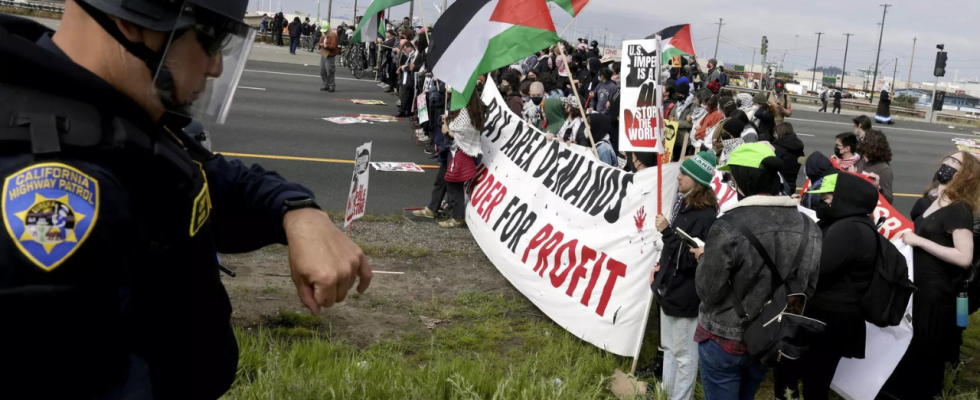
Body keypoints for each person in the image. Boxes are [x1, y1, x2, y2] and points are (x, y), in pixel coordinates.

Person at [0, 0, 372, 397]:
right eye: (211, 39)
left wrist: (299, 213)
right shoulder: (51, 179)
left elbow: (207, 181)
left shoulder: (107, 112)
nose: (216, 67)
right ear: (133, 20)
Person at [695, 143, 822, 400]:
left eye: (732, 177)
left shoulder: (728, 226)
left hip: (724, 339)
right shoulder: (810, 227)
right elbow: (806, 289)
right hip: (770, 338)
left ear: (744, 179)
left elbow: (708, 292)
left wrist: (703, 259)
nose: (731, 184)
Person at [883, 152, 980, 400]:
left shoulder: (960, 210)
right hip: (919, 288)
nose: (947, 164)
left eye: (955, 163)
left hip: (936, 295)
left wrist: (919, 241)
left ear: (967, 175)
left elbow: (963, 256)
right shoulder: (936, 201)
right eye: (947, 159)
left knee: (926, 351)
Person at [774, 172, 878, 400]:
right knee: (803, 378)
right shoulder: (848, 223)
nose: (822, 202)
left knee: (811, 383)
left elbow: (813, 266)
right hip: (824, 318)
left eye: (828, 197)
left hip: (827, 322)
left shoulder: (850, 230)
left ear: (846, 198)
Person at [652, 150, 719, 400]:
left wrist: (667, 232)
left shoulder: (706, 216)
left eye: (685, 173)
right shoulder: (686, 204)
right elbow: (673, 252)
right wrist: (659, 269)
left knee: (685, 356)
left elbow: (694, 259)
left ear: (698, 181)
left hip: (685, 296)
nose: (678, 176)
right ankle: (666, 395)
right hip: (670, 290)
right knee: (670, 349)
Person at [439, 92, 485, 228]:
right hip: (464, 151)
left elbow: (460, 134)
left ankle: (457, 217)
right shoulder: (474, 111)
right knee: (453, 183)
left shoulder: (464, 112)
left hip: (459, 151)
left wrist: (447, 130)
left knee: (453, 183)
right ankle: (455, 214)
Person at [855, 128, 894, 203]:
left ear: (870, 144)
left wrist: (877, 187)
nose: (860, 140)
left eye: (863, 138)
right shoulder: (862, 160)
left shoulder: (884, 170)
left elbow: (889, 200)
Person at [772, 122, 804, 194]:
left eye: (776, 133)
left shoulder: (777, 149)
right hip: (792, 183)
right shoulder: (799, 148)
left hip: (780, 184)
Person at [668, 82, 696, 161]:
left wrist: (677, 122)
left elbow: (691, 124)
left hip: (684, 140)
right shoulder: (678, 103)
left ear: (684, 94)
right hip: (674, 137)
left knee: (681, 160)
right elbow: (671, 114)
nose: (678, 96)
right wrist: (671, 119)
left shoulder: (692, 105)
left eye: (679, 94)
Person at [319, 21, 338, 92]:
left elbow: (333, 46)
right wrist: (321, 45)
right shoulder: (323, 35)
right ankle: (326, 84)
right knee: (322, 71)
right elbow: (320, 42)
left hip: (330, 54)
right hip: (324, 53)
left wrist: (326, 46)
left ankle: (331, 86)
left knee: (330, 71)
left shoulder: (333, 35)